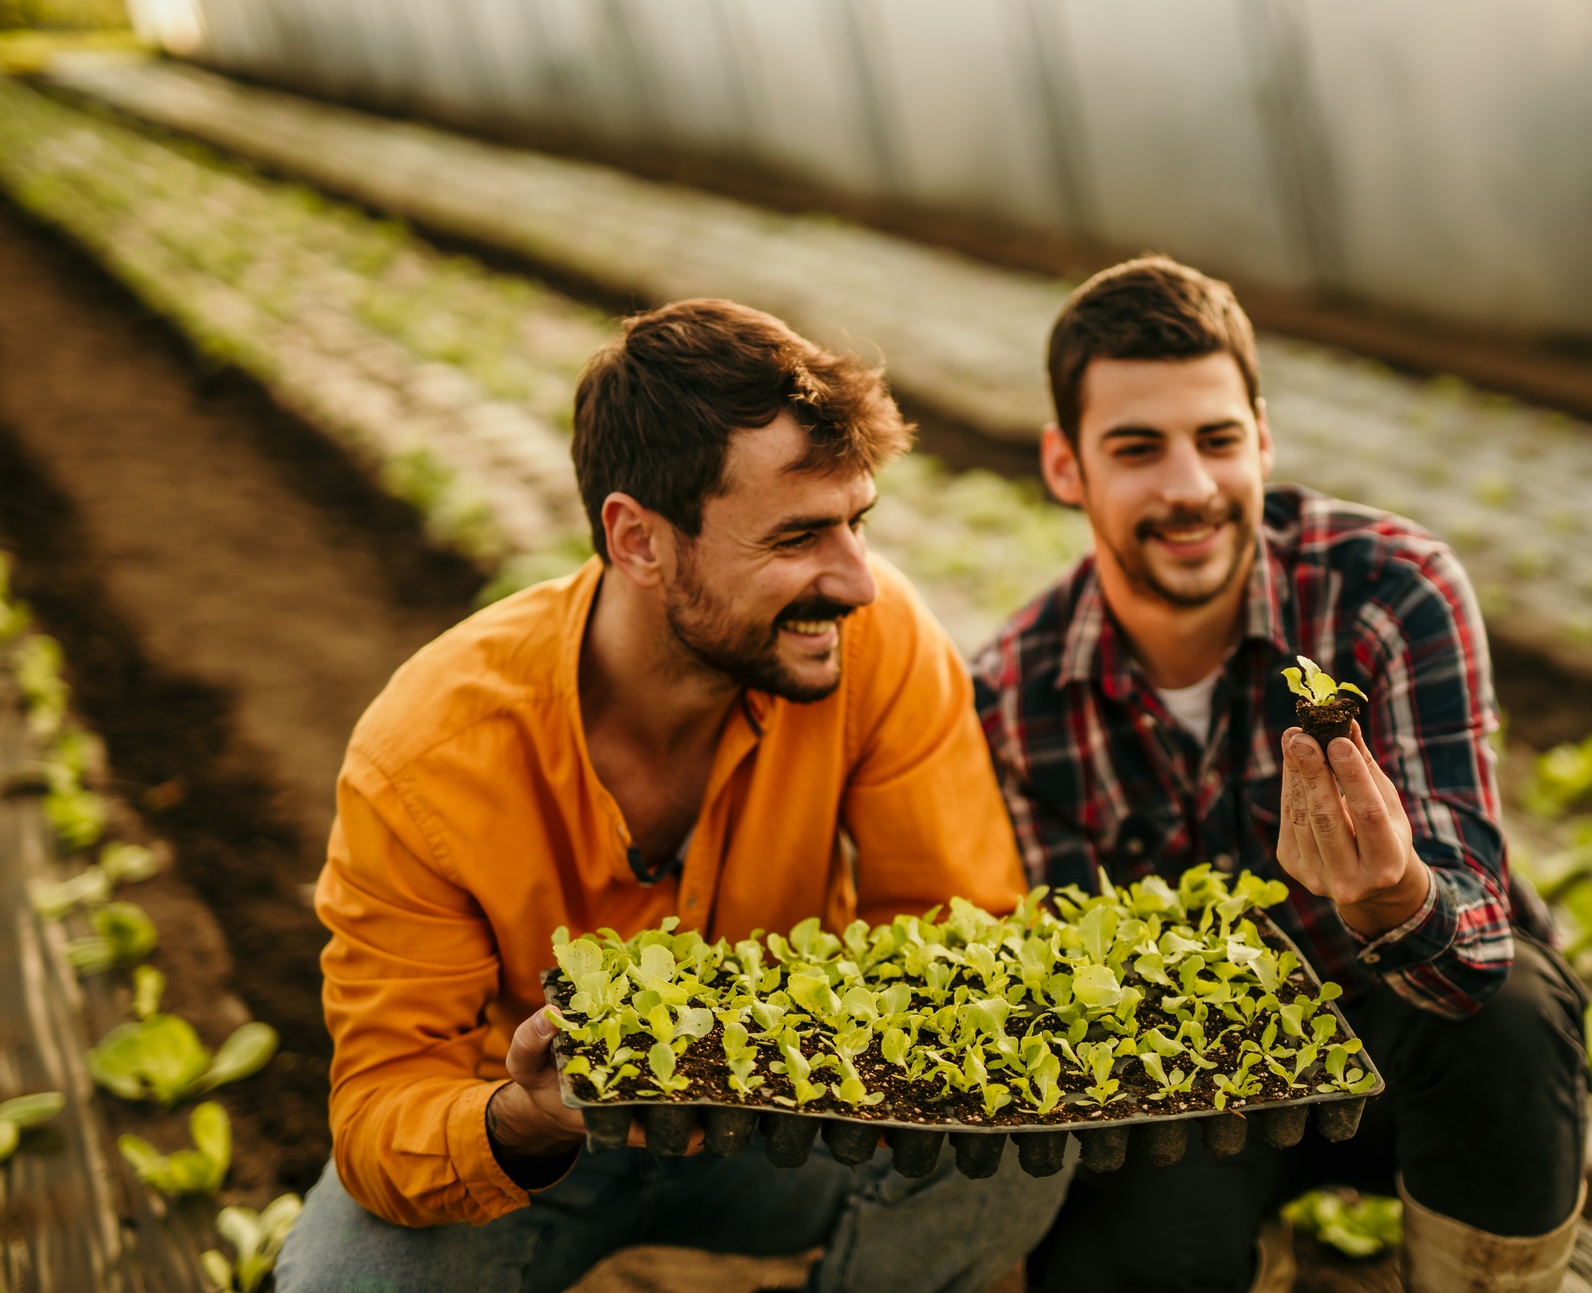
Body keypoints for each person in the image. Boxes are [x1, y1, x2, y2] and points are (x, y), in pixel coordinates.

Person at [277, 300, 1071, 1293]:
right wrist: (528, 1116)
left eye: (856, 522)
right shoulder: (426, 752)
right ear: (639, 541)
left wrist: (824, 1046)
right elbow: (380, 1107)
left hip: (782, 1122)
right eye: (797, 537)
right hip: (540, 1148)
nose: (858, 581)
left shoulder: (878, 645)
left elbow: (957, 934)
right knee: (348, 1281)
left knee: (1013, 1128)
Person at [973, 258, 1590, 1293]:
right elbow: (1097, 1033)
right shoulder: (1009, 696)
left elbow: (1469, 947)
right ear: (1064, 465)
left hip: (1406, 1023)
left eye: (1216, 440)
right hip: (1197, 1083)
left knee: (1511, 1022)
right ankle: (1240, 1245)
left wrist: (1389, 894)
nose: (1187, 488)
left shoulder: (1387, 591)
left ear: (1260, 437)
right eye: (1135, 449)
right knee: (1113, 1258)